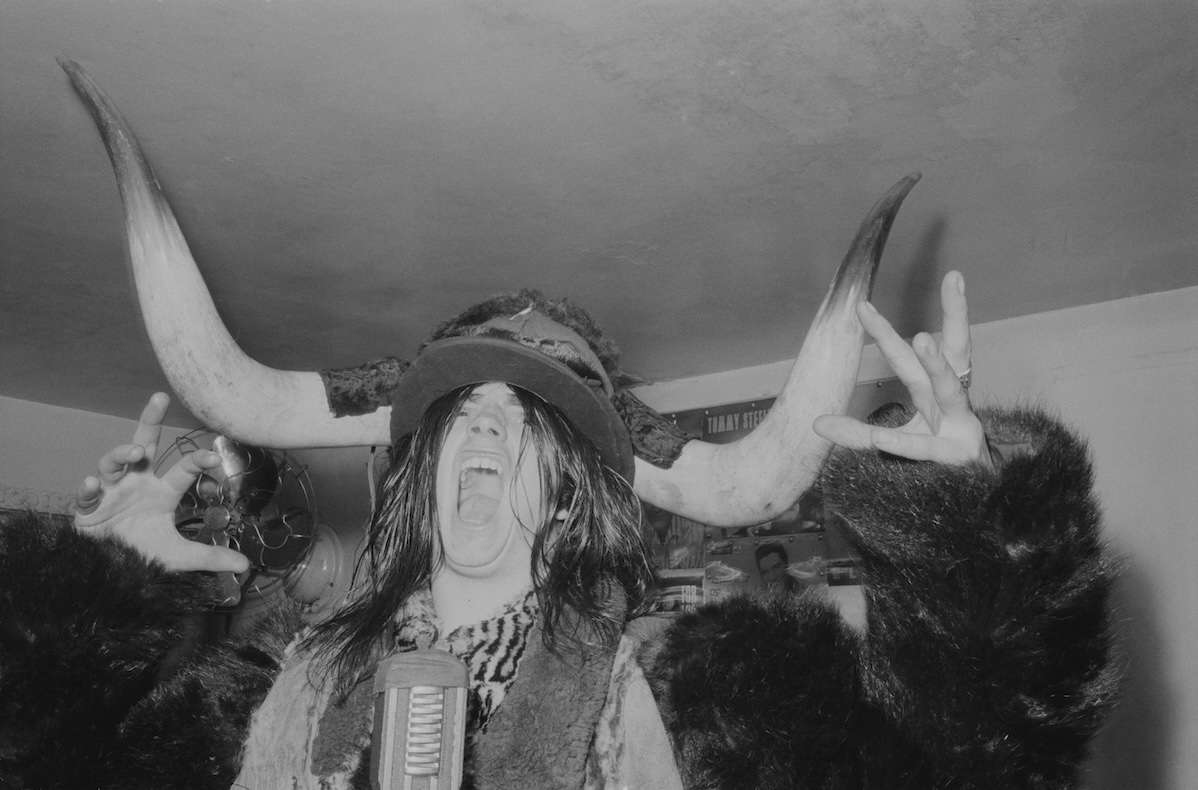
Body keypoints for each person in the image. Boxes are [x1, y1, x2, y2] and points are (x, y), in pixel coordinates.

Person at [0, 269, 1120, 790]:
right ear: (418, 468)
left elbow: (984, 766)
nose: (486, 423)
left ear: (573, 489)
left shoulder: (718, 699)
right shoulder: (263, 689)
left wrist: (982, 526)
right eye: (461, 413)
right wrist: (104, 580)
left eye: (526, 419)